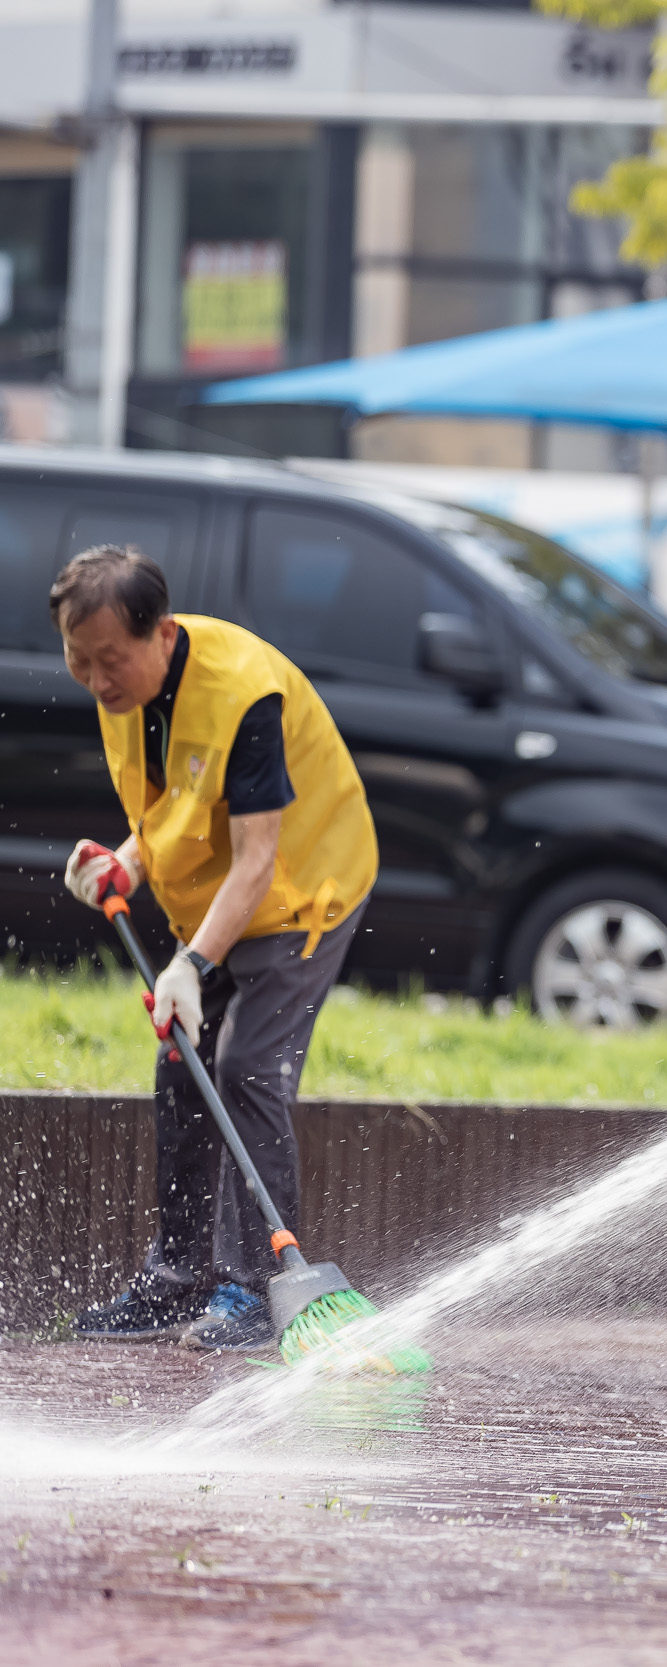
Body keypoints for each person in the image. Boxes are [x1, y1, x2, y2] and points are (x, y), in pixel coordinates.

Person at [52, 545, 377, 1352]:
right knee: (180, 1062)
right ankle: (177, 1278)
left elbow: (260, 856)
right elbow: (176, 802)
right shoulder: (125, 683)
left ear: (161, 634)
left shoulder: (244, 694)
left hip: (305, 888)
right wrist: (125, 859)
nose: (97, 678)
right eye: (79, 658)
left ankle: (251, 1288)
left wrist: (192, 964)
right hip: (218, 899)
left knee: (244, 1066)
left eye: (111, 659)